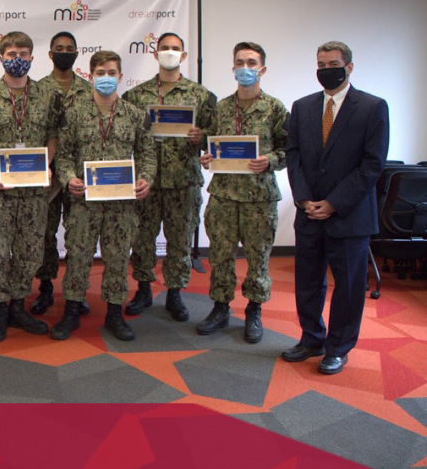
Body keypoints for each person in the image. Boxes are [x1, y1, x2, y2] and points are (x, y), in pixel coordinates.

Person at [283, 41, 389, 374]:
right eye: (321, 64)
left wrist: (333, 203)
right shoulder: (302, 107)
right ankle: (311, 339)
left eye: (333, 64)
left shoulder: (372, 107)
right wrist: (303, 199)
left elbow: (372, 165)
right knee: (307, 282)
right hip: (308, 212)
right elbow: (293, 156)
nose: (326, 70)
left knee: (349, 287)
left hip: (349, 216)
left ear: (349, 67)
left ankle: (338, 347)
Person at [51, 51, 156, 341]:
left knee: (118, 258)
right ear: (90, 76)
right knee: (78, 256)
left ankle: (114, 313)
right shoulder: (74, 113)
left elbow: (147, 154)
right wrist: (68, 178)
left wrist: (146, 179)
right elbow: (64, 155)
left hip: (121, 204)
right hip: (84, 202)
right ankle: (72, 310)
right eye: (100, 73)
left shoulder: (135, 115)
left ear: (120, 77)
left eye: (111, 73)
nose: (106, 78)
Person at [0, 31, 60, 342]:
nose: (17, 59)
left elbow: (53, 136)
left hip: (33, 192)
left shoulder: (47, 96)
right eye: (11, 54)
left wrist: (44, 164)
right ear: (0, 57)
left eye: (22, 54)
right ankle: (1, 308)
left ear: (32, 58)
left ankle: (19, 305)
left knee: (29, 250)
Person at [197, 42, 289, 342]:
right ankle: (220, 308)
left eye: (251, 63)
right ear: (233, 67)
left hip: (259, 198)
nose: (245, 68)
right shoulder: (221, 107)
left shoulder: (275, 108)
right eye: (240, 62)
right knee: (220, 256)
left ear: (262, 69)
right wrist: (207, 157)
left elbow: (290, 150)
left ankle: (254, 311)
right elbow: (210, 143)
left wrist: (270, 160)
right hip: (223, 195)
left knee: (258, 258)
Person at [122, 32, 214, 322]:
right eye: (165, 48)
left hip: (183, 182)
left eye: (175, 48)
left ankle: (175, 292)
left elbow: (217, 137)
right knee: (142, 238)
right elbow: (124, 135)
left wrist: (202, 137)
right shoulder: (136, 96)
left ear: (183, 55)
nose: (170, 52)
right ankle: (143, 289)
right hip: (146, 182)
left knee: (180, 240)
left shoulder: (202, 96)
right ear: (155, 53)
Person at [30, 31, 94, 317]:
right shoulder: (38, 90)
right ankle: (45, 287)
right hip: (47, 173)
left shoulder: (89, 90)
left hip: (82, 175)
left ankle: (76, 291)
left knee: (80, 235)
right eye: (59, 48)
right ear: (50, 54)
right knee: (45, 232)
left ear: (77, 54)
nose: (64, 52)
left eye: (69, 48)